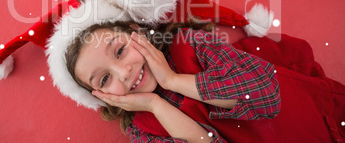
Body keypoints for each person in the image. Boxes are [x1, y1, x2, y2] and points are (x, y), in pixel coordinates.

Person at [65, 21, 345, 142]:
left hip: (317, 123)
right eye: (105, 78)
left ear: (137, 32)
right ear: (101, 95)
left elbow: (265, 95)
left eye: (120, 50)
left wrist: (173, 80)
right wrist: (155, 105)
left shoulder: (190, 44)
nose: (123, 72)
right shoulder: (144, 132)